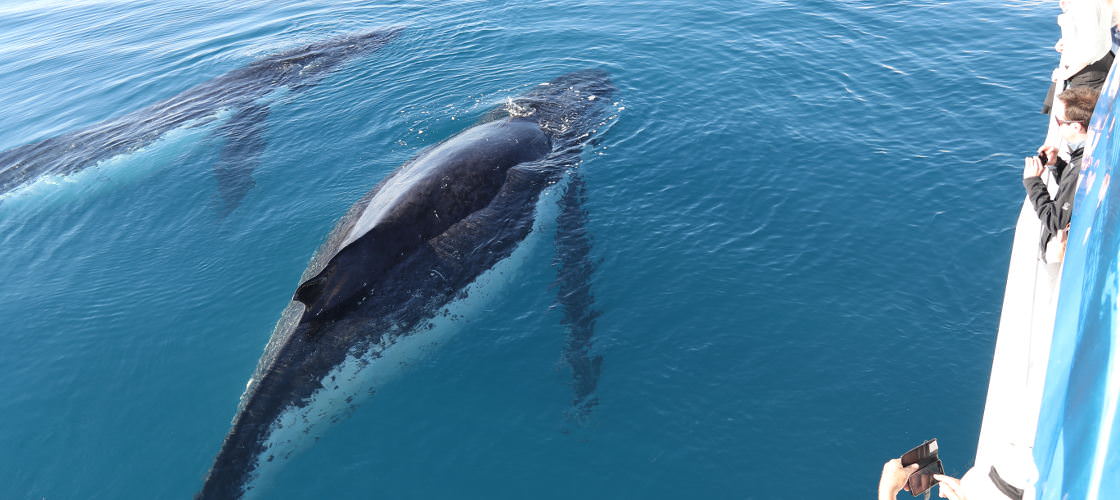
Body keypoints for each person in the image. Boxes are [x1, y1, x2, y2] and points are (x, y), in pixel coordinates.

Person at [1025, 86, 1100, 263]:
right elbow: (1075, 190)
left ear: (1075, 126)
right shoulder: (1091, 151)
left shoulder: (1083, 165)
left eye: (1059, 122)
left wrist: (1033, 182)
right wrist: (1056, 164)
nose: (1058, 126)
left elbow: (1056, 221)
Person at [1042, 0, 1113, 114]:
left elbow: (1090, 53)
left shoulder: (1085, 5)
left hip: (1088, 72)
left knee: (1079, 115)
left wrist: (1064, 75)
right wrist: (1068, 41)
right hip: (1094, 63)